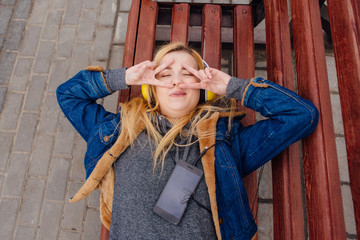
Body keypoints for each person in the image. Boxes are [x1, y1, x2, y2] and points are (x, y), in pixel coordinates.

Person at [57, 43, 319, 240]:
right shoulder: (119, 130)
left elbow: (301, 116)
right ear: (151, 88)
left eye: (188, 73)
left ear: (204, 88)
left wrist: (233, 87)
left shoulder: (225, 144)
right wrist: (125, 78)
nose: (176, 80)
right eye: (165, 73)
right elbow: (68, 95)